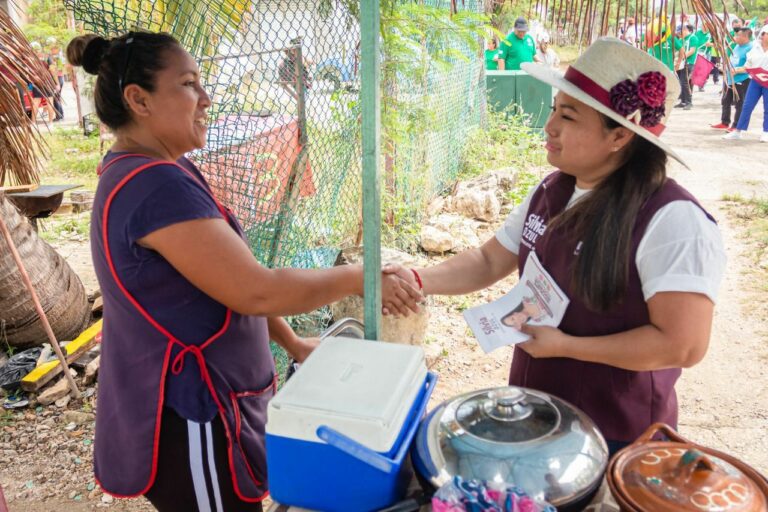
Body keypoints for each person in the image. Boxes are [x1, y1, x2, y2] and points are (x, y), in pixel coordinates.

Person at [65, 32, 420, 512]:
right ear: (138, 99)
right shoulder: (154, 186)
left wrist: (292, 343)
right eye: (189, 84)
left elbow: (232, 280)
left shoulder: (164, 169)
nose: (206, 98)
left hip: (216, 405)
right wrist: (360, 276)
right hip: (193, 416)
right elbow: (255, 290)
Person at [383, 37, 726, 456]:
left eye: (568, 116)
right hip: (540, 410)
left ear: (619, 136)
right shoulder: (555, 189)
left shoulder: (672, 220)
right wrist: (418, 279)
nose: (549, 126)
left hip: (616, 433)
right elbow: (490, 258)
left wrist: (567, 346)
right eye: (553, 109)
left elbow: (682, 344)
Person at [723, 25, 768, 142]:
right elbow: (748, 65)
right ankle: (738, 131)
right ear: (763, 35)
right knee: (747, 106)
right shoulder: (755, 48)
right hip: (756, 81)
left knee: (767, 108)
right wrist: (737, 70)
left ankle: (766, 132)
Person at [715, 28, 753, 133]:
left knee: (739, 103)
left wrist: (737, 70)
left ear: (745, 37)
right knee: (725, 100)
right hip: (730, 78)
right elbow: (732, 59)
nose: (735, 38)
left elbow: (750, 65)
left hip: (742, 79)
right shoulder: (736, 46)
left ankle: (736, 125)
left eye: (738, 36)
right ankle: (724, 122)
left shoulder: (751, 48)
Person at [674, 25, 695, 109]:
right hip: (680, 63)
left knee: (685, 83)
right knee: (681, 82)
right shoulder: (681, 39)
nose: (679, 34)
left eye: (680, 32)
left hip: (688, 62)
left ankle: (689, 102)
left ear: (685, 30)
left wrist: (682, 56)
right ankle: (683, 101)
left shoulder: (692, 38)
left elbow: (692, 50)